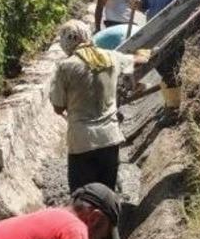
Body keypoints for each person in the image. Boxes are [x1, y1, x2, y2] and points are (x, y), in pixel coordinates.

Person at [50, 20, 146, 193]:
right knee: (106, 194)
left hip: (81, 141)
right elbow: (138, 60)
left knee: (82, 196)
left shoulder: (64, 67)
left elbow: (58, 107)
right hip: (109, 138)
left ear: (65, 43)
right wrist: (149, 51)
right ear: (88, 36)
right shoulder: (111, 56)